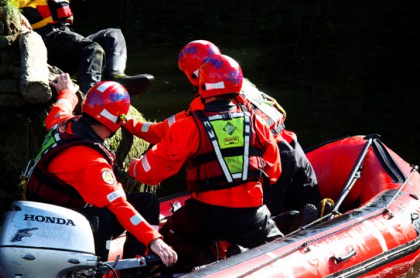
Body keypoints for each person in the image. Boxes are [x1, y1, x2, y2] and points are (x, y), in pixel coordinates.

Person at [123, 40, 324, 232]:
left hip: (270, 159)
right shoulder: (242, 84)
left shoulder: (208, 102)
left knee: (263, 220)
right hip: (292, 147)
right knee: (313, 211)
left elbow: (167, 131)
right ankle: (308, 220)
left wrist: (129, 123)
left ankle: (284, 225)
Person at [127, 54, 283, 273]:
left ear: (203, 84)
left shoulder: (188, 125)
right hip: (251, 214)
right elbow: (274, 171)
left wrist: (133, 168)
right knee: (281, 245)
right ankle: (242, 252)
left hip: (206, 214)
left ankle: (205, 259)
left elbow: (152, 172)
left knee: (172, 234)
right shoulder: (257, 122)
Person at [21, 75, 177, 273]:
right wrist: (153, 239)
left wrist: (67, 90)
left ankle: (134, 266)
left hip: (45, 212)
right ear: (117, 121)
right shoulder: (92, 162)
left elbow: (62, 106)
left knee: (147, 202)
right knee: (104, 217)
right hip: (58, 226)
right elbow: (118, 204)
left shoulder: (62, 123)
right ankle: (98, 271)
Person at [8, 0, 153, 96]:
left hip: (61, 37)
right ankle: (90, 101)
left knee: (112, 35)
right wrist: (18, 15)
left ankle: (115, 77)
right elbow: (8, 1)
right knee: (92, 49)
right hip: (44, 42)